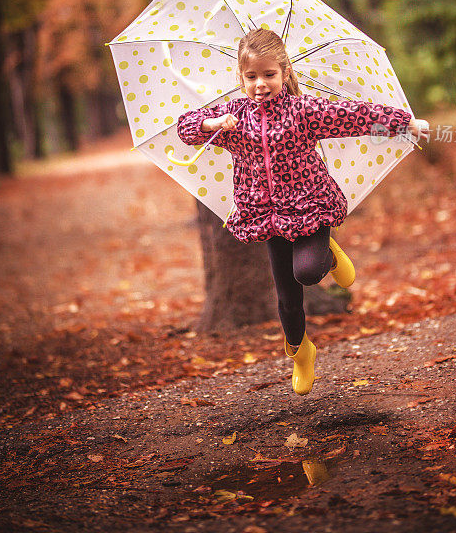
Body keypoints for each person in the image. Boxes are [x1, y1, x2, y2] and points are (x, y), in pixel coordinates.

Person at [177, 28, 430, 396]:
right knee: (287, 301)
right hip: (268, 217)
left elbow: (353, 116)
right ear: (240, 77)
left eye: (268, 75)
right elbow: (185, 128)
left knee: (307, 272)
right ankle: (300, 351)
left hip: (309, 207)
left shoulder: (303, 110)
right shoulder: (233, 116)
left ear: (284, 72)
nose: (260, 84)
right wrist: (211, 124)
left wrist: (403, 121)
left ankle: (326, 252)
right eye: (251, 77)